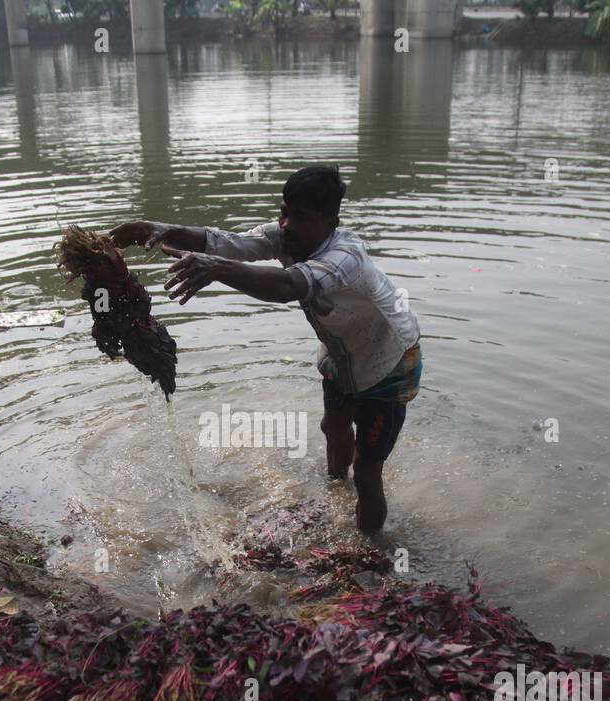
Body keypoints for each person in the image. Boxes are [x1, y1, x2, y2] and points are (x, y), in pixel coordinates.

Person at [108, 165, 421, 534]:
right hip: (343, 354)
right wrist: (161, 229)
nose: (286, 224)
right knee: (333, 428)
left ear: (330, 222)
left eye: (300, 217)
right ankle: (337, 492)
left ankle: (370, 549)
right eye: (283, 212)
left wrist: (216, 269)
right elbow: (229, 242)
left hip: (388, 363)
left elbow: (288, 285)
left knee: (368, 471)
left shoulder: (345, 257)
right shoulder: (288, 238)